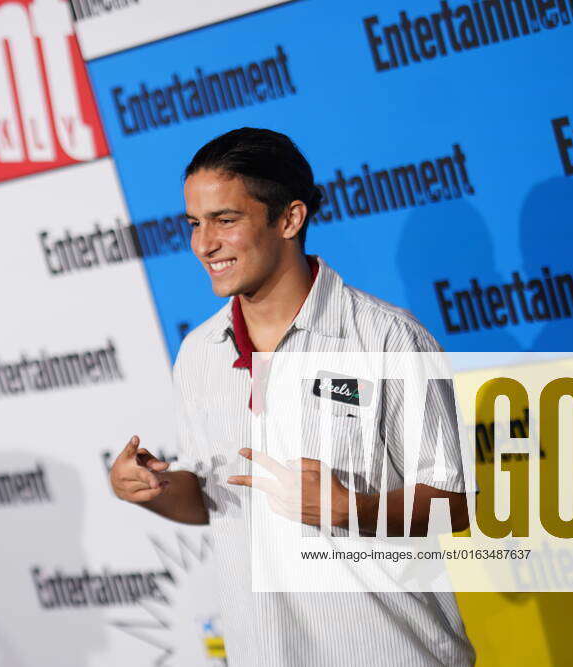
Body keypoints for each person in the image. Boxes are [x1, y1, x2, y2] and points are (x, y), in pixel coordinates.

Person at [109, 128, 476, 666]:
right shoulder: (199, 354)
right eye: (194, 223)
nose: (203, 244)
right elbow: (213, 500)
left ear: (289, 219)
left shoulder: (386, 338)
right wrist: (152, 487)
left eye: (225, 220)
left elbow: (456, 505)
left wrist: (352, 508)